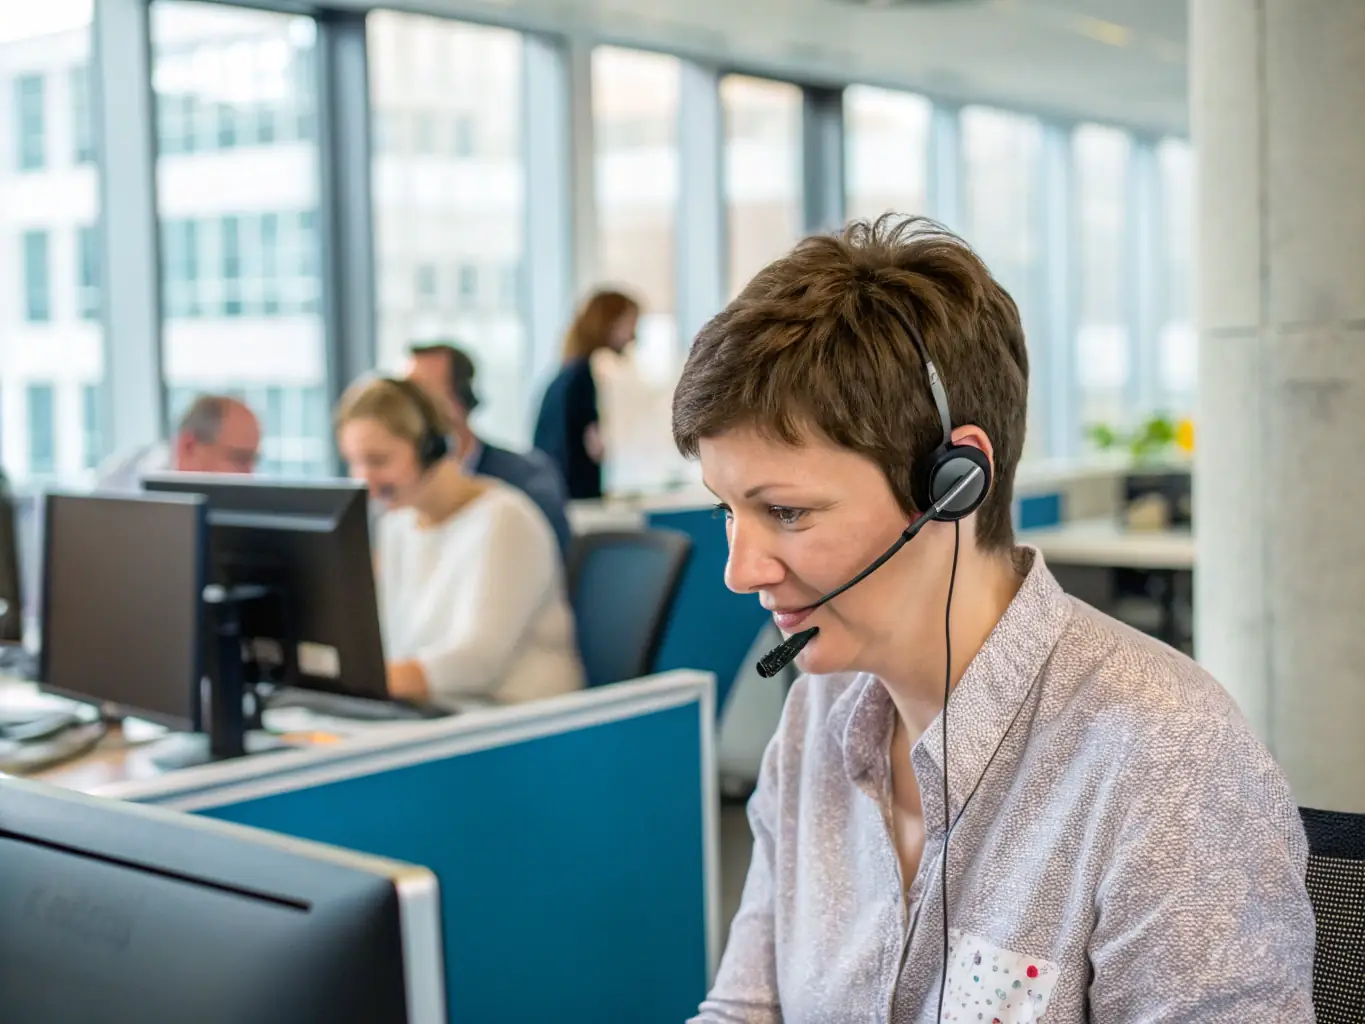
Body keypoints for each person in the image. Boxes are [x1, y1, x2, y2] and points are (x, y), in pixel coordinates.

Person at [673, 216, 1314, 1021]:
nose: (741, 570)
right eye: (725, 511)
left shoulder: (1163, 756)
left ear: (953, 481)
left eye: (787, 512)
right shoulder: (815, 716)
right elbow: (744, 1008)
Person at [335, 375, 583, 709]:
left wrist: (363, 680)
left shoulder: (503, 519)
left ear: (431, 448)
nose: (363, 479)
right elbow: (389, 642)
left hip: (517, 718)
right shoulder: (397, 524)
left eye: (378, 460)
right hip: (436, 712)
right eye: (354, 461)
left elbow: (476, 662)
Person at [406, 341, 572, 563]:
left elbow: (545, 554)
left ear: (459, 400)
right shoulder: (406, 487)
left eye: (420, 394)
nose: (407, 407)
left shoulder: (526, 477)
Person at [532, 289, 639, 500]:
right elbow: (594, 445)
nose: (633, 336)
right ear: (611, 323)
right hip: (576, 500)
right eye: (630, 325)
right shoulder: (584, 376)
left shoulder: (569, 373)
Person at [95, 394, 261, 491]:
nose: (250, 473)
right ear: (188, 446)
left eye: (253, 460)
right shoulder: (127, 486)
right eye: (240, 458)